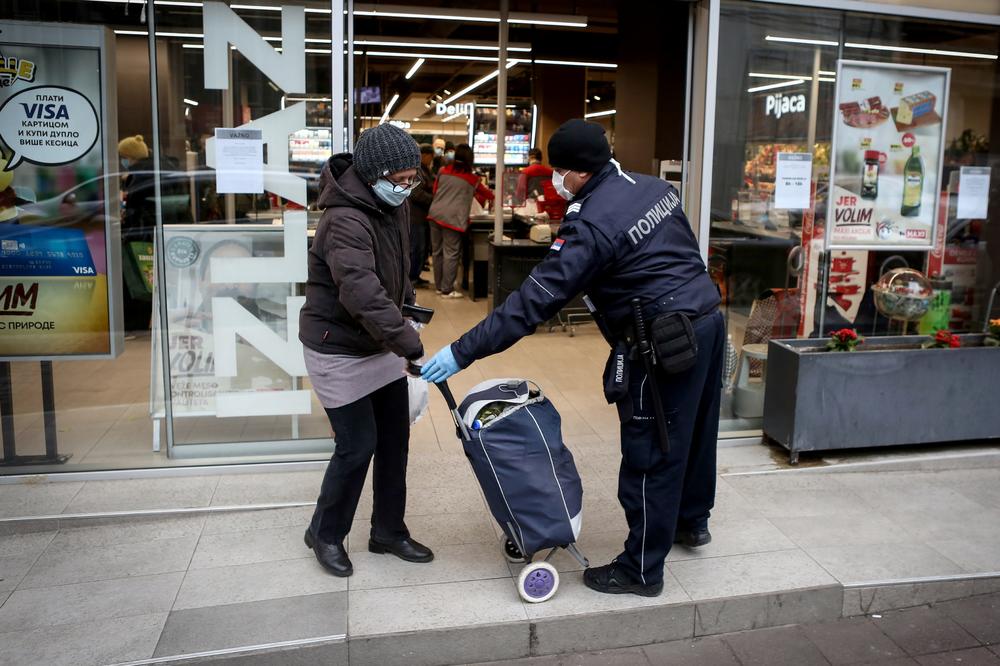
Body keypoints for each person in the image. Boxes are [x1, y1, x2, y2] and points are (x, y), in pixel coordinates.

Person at [422, 119, 724, 597]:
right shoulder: (652, 188)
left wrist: (461, 351)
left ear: (580, 172)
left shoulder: (591, 223)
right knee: (697, 430)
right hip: (707, 320)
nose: (555, 180)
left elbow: (534, 300)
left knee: (653, 451)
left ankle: (641, 570)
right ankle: (692, 521)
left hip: (662, 343)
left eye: (558, 171)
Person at [298, 123, 433, 578]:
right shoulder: (343, 219)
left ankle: (388, 531)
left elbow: (398, 268)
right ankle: (325, 533)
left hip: (380, 342)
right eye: (400, 179)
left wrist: (409, 310)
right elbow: (361, 292)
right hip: (337, 349)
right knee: (357, 447)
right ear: (374, 175)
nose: (407, 186)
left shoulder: (393, 204)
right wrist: (408, 342)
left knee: (395, 440)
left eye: (412, 177)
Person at [426, 143, 493, 298]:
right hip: (453, 219)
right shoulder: (472, 179)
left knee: (437, 252)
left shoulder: (442, 171)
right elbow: (489, 195)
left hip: (435, 214)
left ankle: (439, 286)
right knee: (451, 253)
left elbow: (435, 191)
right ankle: (447, 290)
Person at [407, 144, 435, 288]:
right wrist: (434, 199)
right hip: (415, 216)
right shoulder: (417, 171)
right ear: (424, 155)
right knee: (416, 248)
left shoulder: (425, 170)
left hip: (422, 216)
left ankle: (415, 276)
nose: (431, 159)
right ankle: (411, 278)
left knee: (421, 248)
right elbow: (415, 193)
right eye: (430, 156)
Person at [515, 147, 567, 221]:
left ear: (530, 158)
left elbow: (520, 194)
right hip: (548, 209)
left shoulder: (525, 172)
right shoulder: (550, 172)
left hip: (530, 209)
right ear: (541, 158)